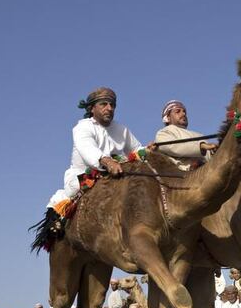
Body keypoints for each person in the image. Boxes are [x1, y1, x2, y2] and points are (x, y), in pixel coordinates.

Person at [35, 88, 144, 246]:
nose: (109, 108)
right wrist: (107, 162)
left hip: (115, 174)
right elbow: (88, 150)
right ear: (92, 108)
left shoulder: (122, 129)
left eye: (112, 105)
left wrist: (150, 150)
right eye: (104, 104)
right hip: (83, 178)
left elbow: (136, 149)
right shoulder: (82, 127)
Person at [154, 100, 217, 170]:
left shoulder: (199, 135)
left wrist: (214, 151)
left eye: (184, 112)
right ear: (167, 118)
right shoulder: (164, 132)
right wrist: (200, 146)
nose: (183, 114)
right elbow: (171, 146)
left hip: (208, 168)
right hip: (183, 173)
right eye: (178, 111)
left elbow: (208, 156)